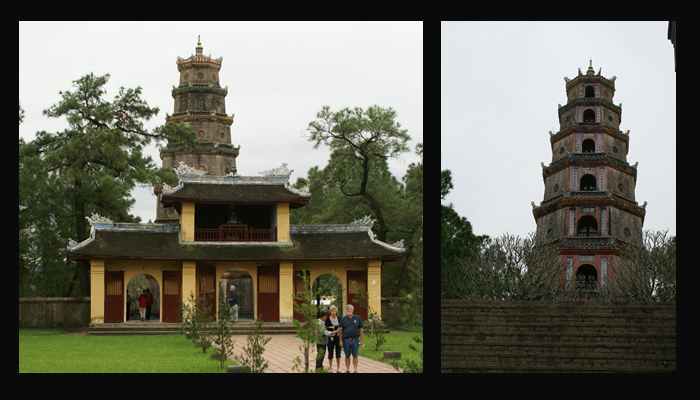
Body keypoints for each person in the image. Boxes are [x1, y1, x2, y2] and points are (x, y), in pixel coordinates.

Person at [339, 304, 363, 373]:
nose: (349, 311)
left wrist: (361, 340)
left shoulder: (357, 318)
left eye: (351, 309)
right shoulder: (343, 319)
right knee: (347, 355)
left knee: (355, 355)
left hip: (355, 339)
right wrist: (340, 341)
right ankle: (347, 369)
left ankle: (355, 369)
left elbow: (361, 330)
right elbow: (340, 331)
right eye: (348, 310)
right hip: (346, 340)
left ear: (353, 310)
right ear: (346, 311)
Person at [325, 305, 342, 372]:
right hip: (330, 338)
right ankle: (330, 367)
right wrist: (332, 332)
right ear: (330, 311)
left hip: (338, 337)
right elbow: (325, 329)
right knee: (330, 352)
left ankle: (338, 368)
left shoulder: (339, 318)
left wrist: (340, 339)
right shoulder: (327, 319)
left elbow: (341, 328)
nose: (333, 312)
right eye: (332, 310)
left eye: (334, 310)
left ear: (336, 311)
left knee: (338, 352)